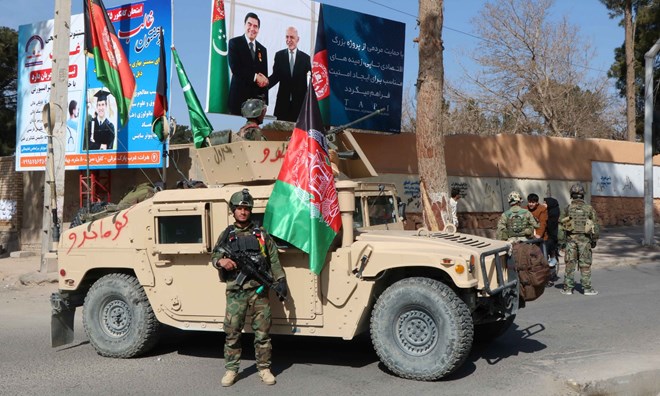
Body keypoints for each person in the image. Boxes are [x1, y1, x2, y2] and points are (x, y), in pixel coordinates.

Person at [211, 189, 287, 387]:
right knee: (232, 332)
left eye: (246, 208)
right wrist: (222, 262)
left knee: (262, 333)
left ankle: (264, 368)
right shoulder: (227, 234)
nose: (243, 212)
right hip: (236, 291)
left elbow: (274, 259)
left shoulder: (261, 235)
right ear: (233, 211)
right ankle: (231, 370)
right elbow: (215, 256)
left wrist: (280, 280)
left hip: (259, 291)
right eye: (239, 208)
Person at [559, 183, 600, 296]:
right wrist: (594, 240)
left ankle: (568, 288)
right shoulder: (589, 209)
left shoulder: (567, 208)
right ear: (583, 195)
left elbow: (561, 227)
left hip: (570, 241)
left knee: (570, 265)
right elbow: (595, 226)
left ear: (571, 195)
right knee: (585, 264)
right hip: (585, 241)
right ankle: (587, 289)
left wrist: (561, 242)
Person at [228, 12, 269, 116]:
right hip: (238, 101)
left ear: (258, 29)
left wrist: (265, 102)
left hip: (256, 105)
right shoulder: (234, 43)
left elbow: (264, 75)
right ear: (244, 25)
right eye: (249, 24)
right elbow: (235, 68)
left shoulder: (262, 50)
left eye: (255, 26)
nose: (252, 28)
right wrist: (255, 77)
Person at [267, 26, 311, 122]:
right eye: (287, 37)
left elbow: (309, 82)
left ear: (298, 39)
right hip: (282, 105)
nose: (289, 40)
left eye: (292, 37)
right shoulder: (279, 56)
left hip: (299, 106)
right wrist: (264, 85)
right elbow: (275, 77)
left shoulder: (306, 59)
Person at [544, 196, 561, 280]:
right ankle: (551, 274)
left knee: (550, 256)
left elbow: (550, 226)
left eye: (545, 203)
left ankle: (550, 275)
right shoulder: (552, 211)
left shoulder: (553, 213)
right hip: (551, 238)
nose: (544, 204)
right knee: (551, 256)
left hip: (552, 238)